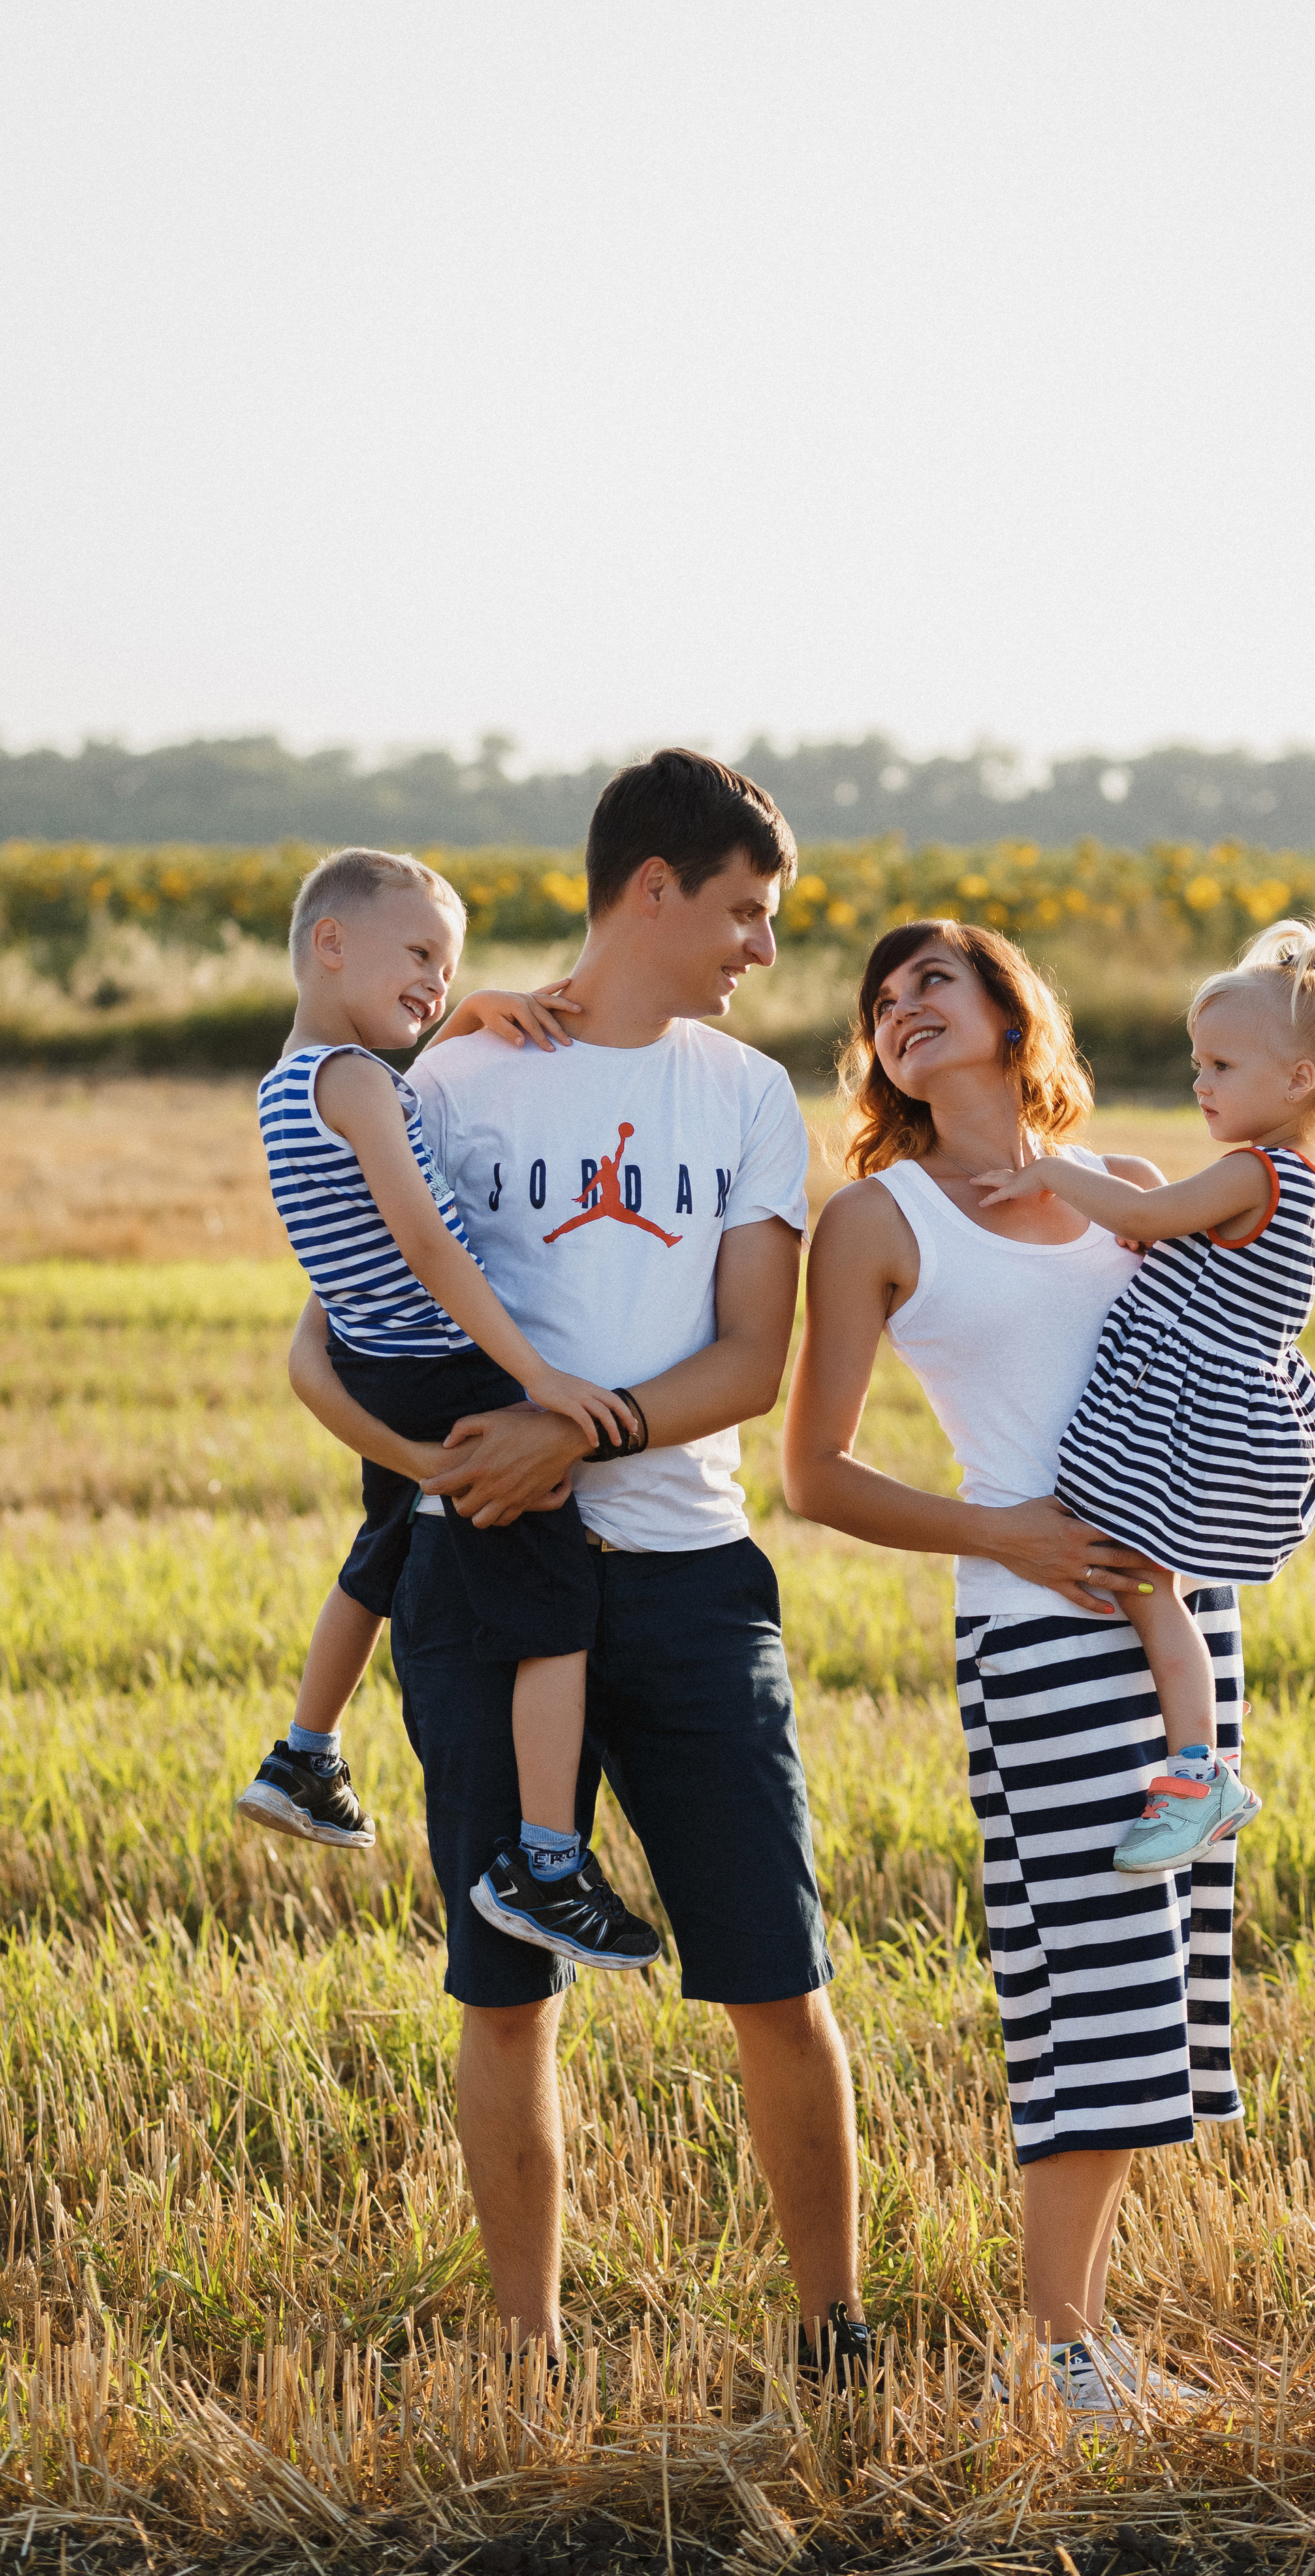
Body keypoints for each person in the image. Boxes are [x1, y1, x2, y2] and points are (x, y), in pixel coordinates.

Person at [285, 752, 866, 2373]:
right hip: (483, 1577)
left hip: (690, 1573)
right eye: (744, 911)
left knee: (774, 1972)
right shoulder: (452, 1079)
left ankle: (834, 2332)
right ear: (652, 888)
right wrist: (427, 1471)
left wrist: (574, 1436)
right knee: (503, 1985)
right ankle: (526, 2353)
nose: (760, 946)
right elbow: (338, 1318)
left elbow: (752, 1360)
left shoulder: (744, 1099)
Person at [782, 919, 1248, 2421]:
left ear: (1005, 1010)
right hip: (1038, 1635)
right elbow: (814, 1474)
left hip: (1182, 1620)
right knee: (1087, 1992)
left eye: (933, 981)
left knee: (1152, 1995)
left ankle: (1084, 2345)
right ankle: (1062, 2357)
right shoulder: (881, 1218)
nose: (902, 1007)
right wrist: (1015, 1537)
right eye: (880, 999)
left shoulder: (1117, 1187)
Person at [238, 845, 659, 1974]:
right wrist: (539, 1376)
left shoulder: (291, 1086)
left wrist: (462, 1009)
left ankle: (304, 1753)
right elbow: (425, 1239)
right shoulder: (365, 1083)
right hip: (447, 1367)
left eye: (450, 965)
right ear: (332, 944)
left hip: (381, 1367)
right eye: (418, 954)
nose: (436, 981)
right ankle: (546, 1862)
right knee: (555, 1608)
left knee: (379, 1553)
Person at [973, 917, 1315, 1876]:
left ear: (1298, 1081)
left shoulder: (1251, 1171)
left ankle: (1201, 1773)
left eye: (1223, 1066)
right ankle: (1199, 1765)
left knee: (1148, 1586)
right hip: (1226, 1418)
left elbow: (1147, 1215)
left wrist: (1052, 1170)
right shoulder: (1299, 1178)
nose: (1202, 1084)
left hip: (1199, 1428)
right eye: (1199, 1064)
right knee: (1157, 1589)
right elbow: (1186, 1253)